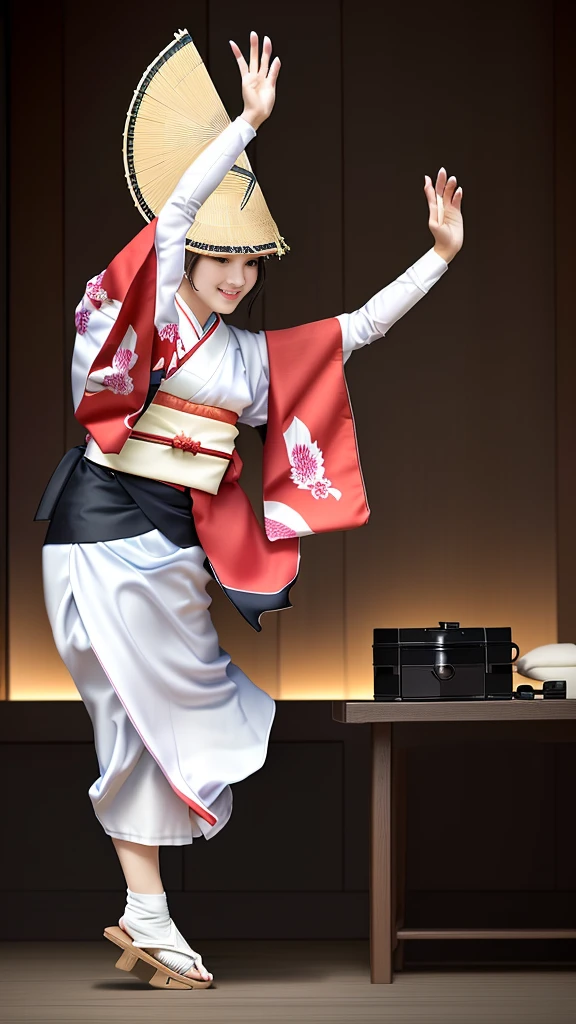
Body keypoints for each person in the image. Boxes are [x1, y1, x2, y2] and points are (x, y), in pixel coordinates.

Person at [36, 31, 463, 988]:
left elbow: (355, 333)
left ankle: (148, 915)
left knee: (164, 721)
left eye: (251, 265)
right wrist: (247, 123)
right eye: (220, 260)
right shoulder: (168, 316)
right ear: (191, 260)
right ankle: (148, 912)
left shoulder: (244, 360)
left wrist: (437, 258)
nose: (234, 278)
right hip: (104, 530)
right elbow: (178, 210)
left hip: (169, 550)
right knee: (138, 719)